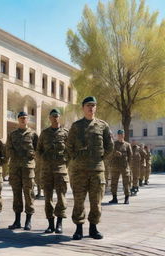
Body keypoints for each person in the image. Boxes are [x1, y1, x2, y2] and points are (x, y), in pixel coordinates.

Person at [66, 96, 114, 240]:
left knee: (96, 202)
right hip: (79, 171)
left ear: (95, 108)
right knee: (79, 201)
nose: (91, 108)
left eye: (93, 105)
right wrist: (76, 158)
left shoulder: (103, 126)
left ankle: (93, 228)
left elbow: (109, 146)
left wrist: (99, 159)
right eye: (88, 105)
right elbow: (69, 146)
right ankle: (79, 228)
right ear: (83, 108)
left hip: (97, 171)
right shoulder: (76, 126)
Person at [37, 109, 69, 234]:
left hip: (61, 170)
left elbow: (70, 150)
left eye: (57, 116)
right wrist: (43, 159)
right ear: (49, 118)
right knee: (48, 198)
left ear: (59, 117)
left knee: (61, 197)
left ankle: (59, 223)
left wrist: (66, 163)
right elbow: (38, 150)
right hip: (47, 170)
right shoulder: (44, 134)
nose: (55, 118)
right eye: (53, 116)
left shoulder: (66, 133)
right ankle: (50, 224)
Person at [6, 111, 38, 230]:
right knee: (17, 193)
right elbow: (8, 148)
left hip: (28, 168)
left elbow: (38, 150)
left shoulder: (33, 134)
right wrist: (15, 155)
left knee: (29, 193)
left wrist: (31, 155)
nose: (23, 120)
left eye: (25, 118)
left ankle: (28, 221)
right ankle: (17, 221)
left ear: (27, 120)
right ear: (18, 120)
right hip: (15, 168)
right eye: (21, 118)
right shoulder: (12, 134)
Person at [109, 130, 132, 204]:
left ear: (124, 135)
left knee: (126, 183)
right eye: (119, 135)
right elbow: (109, 154)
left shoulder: (127, 145)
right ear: (117, 135)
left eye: (121, 135)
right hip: (115, 167)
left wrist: (128, 166)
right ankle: (114, 198)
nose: (120, 136)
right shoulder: (113, 144)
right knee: (114, 183)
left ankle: (126, 198)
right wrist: (115, 153)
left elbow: (130, 156)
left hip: (124, 167)